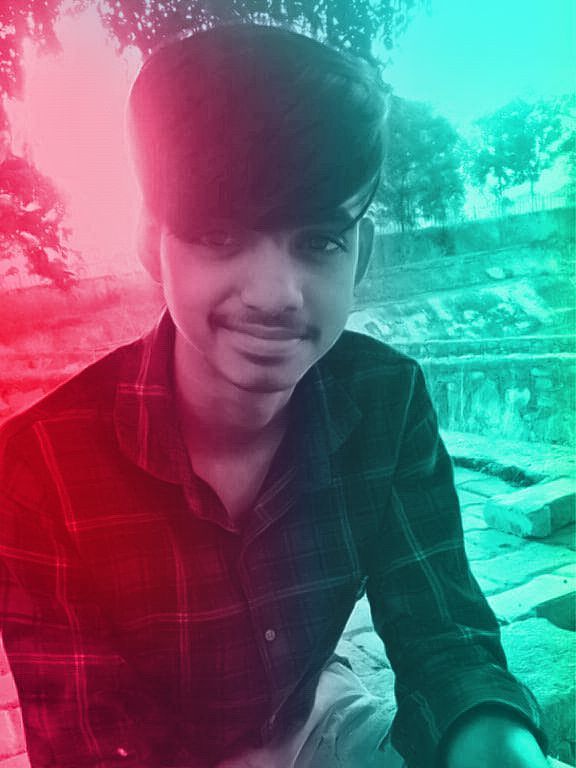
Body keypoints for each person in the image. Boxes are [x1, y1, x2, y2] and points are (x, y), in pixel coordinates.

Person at [0, 23, 551, 768]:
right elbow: (89, 744)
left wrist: (506, 755)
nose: (274, 295)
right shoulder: (39, 471)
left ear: (360, 254)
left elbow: (446, 641)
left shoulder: (387, 403)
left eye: (319, 240)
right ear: (151, 240)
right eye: (219, 236)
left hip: (318, 711)